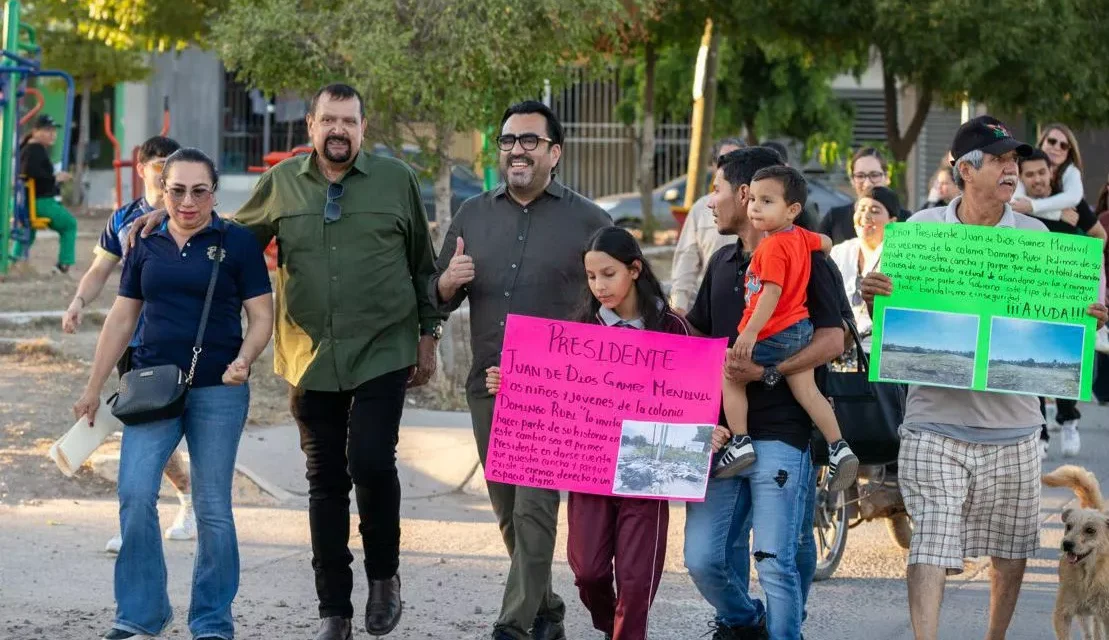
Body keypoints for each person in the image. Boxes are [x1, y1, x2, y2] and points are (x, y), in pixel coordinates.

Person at [134, 83, 444, 640]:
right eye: (329, 120)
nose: (339, 130)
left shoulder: (397, 180)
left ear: (363, 127)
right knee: (324, 481)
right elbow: (230, 239)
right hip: (308, 354)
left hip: (383, 347)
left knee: (371, 461)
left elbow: (422, 264)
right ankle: (334, 610)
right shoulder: (281, 183)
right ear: (311, 126)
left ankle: (384, 576)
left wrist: (429, 335)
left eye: (349, 121)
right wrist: (173, 216)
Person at [860, 115, 1109, 640]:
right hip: (933, 423)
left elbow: (1066, 321)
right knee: (930, 545)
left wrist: (1088, 318)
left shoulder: (1037, 237)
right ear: (965, 171)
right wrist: (873, 294)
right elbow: (886, 312)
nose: (1011, 169)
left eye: (1014, 159)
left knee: (1011, 552)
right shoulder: (921, 232)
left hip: (1014, 429)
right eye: (999, 160)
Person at [73, 148, 274, 640]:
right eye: (177, 190)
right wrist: (93, 387)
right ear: (162, 191)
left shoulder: (237, 243)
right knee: (135, 493)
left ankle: (211, 622)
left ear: (214, 193)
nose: (187, 201)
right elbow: (122, 317)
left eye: (199, 191)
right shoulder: (144, 239)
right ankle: (140, 614)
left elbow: (261, 315)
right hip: (151, 387)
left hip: (219, 390)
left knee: (213, 509)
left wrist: (245, 358)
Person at [430, 100, 611, 640]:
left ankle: (512, 626)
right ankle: (547, 611)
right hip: (488, 385)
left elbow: (620, 301)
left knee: (535, 509)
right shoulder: (472, 215)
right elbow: (434, 295)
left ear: (555, 153)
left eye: (530, 140)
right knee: (509, 512)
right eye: (508, 140)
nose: (517, 150)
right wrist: (446, 282)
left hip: (554, 395)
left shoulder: (590, 222)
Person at [486, 226, 699, 640]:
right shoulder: (581, 328)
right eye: (591, 276)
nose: (599, 285)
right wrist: (510, 382)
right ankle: (610, 624)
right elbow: (551, 386)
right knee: (587, 570)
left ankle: (625, 632)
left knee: (636, 579)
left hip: (647, 469)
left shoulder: (672, 326)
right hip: (590, 464)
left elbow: (694, 392)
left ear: (635, 269)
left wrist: (710, 428)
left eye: (608, 274)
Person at [683, 147, 848, 640]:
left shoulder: (808, 260)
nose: (709, 202)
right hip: (722, 436)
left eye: (716, 190)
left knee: (780, 556)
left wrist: (768, 372)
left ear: (743, 194)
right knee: (704, 558)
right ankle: (743, 620)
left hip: (784, 432)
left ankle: (785, 629)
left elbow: (833, 339)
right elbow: (695, 336)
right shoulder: (721, 261)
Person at [61, 135, 195, 554]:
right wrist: (79, 301)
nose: (164, 171)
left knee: (175, 431)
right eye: (157, 165)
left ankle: (193, 503)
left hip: (185, 341)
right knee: (143, 430)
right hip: (137, 344)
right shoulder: (122, 219)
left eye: (171, 163)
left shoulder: (190, 212)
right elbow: (100, 270)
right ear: (141, 169)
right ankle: (145, 518)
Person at [713, 166, 858, 493]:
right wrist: (819, 247)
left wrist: (750, 332)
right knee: (807, 391)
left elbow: (771, 292)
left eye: (767, 201)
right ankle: (838, 446)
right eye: (753, 200)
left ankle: (740, 441)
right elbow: (826, 242)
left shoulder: (771, 247)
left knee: (730, 371)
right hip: (799, 331)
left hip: (772, 332)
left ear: (792, 210)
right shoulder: (800, 237)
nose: (755, 208)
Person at [1018, 148, 1101, 458]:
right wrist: (1051, 216)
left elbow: (1099, 236)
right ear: (1022, 178)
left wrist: (1081, 265)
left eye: (1042, 172)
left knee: (1062, 362)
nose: (1037, 179)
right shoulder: (1019, 208)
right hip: (1028, 294)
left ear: (1051, 172)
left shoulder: (1071, 203)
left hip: (1066, 295)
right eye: (1030, 174)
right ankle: (1040, 433)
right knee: (1031, 361)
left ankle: (1068, 419)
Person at [670, 137, 745, 314]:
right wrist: (678, 307)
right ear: (714, 166)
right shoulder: (701, 208)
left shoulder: (756, 207)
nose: (729, 168)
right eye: (723, 161)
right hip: (713, 306)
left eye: (736, 160)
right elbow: (686, 260)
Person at [829, 185, 898, 345]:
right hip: (840, 339)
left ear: (892, 221)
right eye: (861, 209)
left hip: (876, 341)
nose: (865, 216)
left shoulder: (897, 258)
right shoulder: (839, 252)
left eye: (875, 211)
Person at [12, 114, 78, 273]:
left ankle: (13, 261)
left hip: (25, 201)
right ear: (35, 131)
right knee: (69, 224)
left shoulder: (26, 148)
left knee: (28, 231)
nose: (52, 134)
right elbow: (32, 173)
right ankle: (64, 264)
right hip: (40, 201)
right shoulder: (35, 149)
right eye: (47, 130)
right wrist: (55, 177)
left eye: (54, 131)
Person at [818, 147, 913, 245]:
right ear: (852, 180)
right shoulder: (834, 218)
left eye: (874, 175)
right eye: (860, 176)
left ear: (887, 177)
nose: (867, 184)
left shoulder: (906, 220)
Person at [1011, 123, 1084, 222]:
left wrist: (1032, 206)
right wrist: (1057, 214)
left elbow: (1073, 198)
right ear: (1042, 142)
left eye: (1064, 145)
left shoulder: (1071, 171)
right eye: (1051, 141)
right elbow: (1017, 204)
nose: (1057, 147)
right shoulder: (1024, 163)